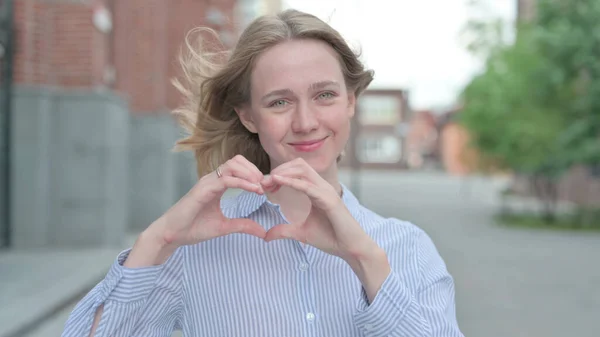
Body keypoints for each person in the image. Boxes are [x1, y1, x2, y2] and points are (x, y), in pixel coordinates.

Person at [62, 8, 463, 337]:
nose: (306, 122)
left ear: (351, 101)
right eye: (279, 102)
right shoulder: (194, 249)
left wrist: (365, 260)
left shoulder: (408, 249)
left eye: (324, 95)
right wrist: (158, 239)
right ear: (248, 116)